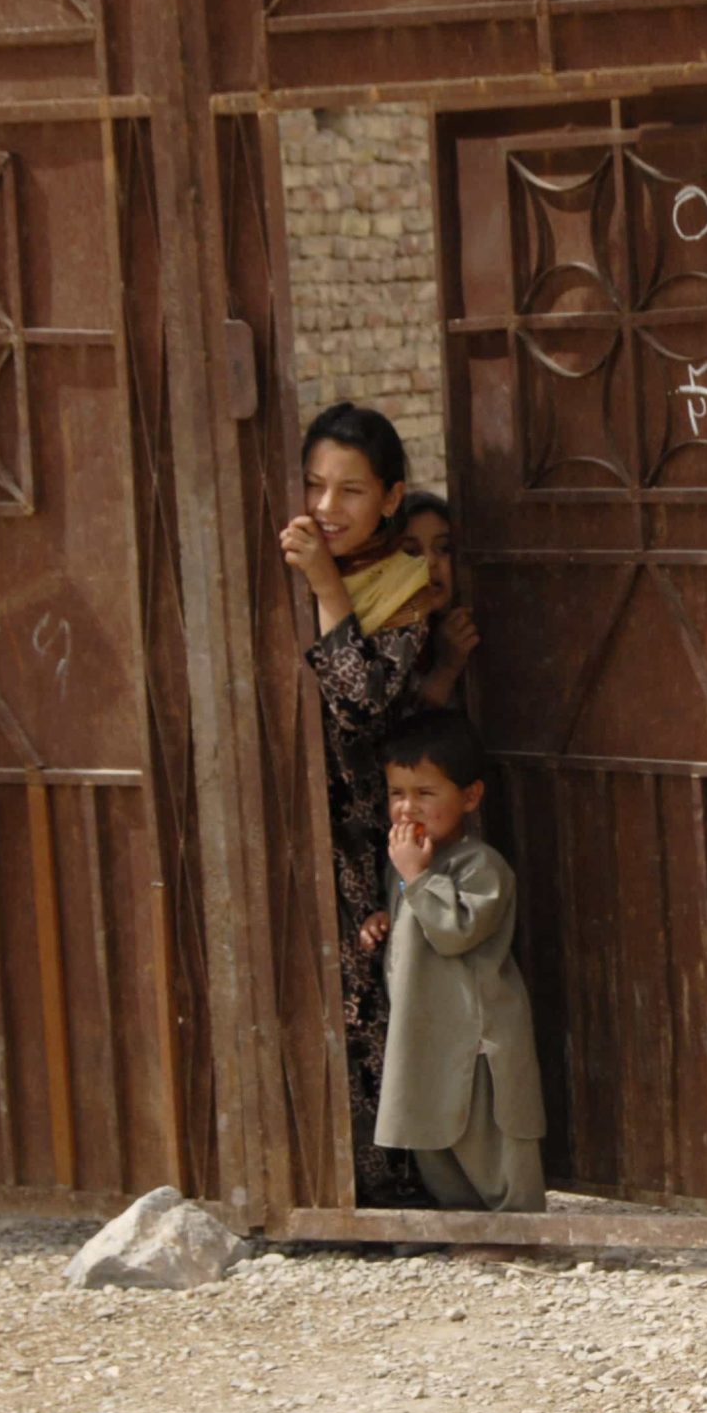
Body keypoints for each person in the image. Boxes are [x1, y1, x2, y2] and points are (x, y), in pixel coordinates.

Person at [280, 401, 439, 1208]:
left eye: (349, 491)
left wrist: (323, 584)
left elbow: (363, 703)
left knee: (372, 996)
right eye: (313, 487)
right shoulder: (276, 566)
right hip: (284, 819)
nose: (325, 509)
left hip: (367, 835)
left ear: (390, 497)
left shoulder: (406, 589)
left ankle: (380, 1190)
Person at [361, 711, 547, 1214]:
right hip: (425, 1028)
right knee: (433, 1127)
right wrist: (385, 917)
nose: (407, 808)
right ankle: (466, 1223)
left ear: (469, 796)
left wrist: (416, 879)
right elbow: (414, 920)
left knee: (491, 1132)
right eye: (397, 793)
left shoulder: (481, 865)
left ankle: (517, 1228)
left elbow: (456, 931)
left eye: (425, 793)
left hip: (479, 1031)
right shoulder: (409, 862)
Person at [396, 490, 480, 709]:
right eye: (411, 552)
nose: (430, 562)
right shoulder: (387, 643)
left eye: (444, 548)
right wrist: (446, 668)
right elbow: (412, 731)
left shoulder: (478, 622)